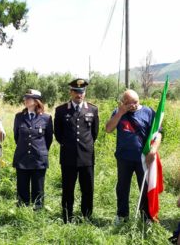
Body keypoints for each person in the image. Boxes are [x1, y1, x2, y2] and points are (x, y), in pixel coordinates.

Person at [106, 89, 162, 223]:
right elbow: (108, 129)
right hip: (124, 158)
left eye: (135, 102)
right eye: (129, 103)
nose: (133, 105)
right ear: (123, 102)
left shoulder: (148, 112)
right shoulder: (118, 112)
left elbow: (158, 134)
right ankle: (122, 215)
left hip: (143, 158)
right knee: (122, 188)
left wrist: (153, 150)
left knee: (144, 187)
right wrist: (120, 112)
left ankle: (146, 217)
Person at [54, 78, 99, 223]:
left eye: (82, 92)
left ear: (84, 93)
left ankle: (86, 216)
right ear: (71, 92)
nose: (79, 95)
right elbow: (58, 134)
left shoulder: (92, 109)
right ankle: (67, 217)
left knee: (87, 189)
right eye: (76, 92)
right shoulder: (61, 110)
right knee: (68, 189)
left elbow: (94, 133)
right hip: (68, 157)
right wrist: (70, 145)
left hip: (86, 157)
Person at [13, 89, 53, 210]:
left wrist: (40, 151)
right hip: (22, 158)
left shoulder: (46, 118)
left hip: (38, 159)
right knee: (22, 187)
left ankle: (38, 212)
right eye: (25, 98)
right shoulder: (19, 117)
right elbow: (16, 136)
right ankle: (22, 211)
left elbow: (48, 139)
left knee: (38, 188)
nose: (25, 100)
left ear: (36, 101)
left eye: (28, 98)